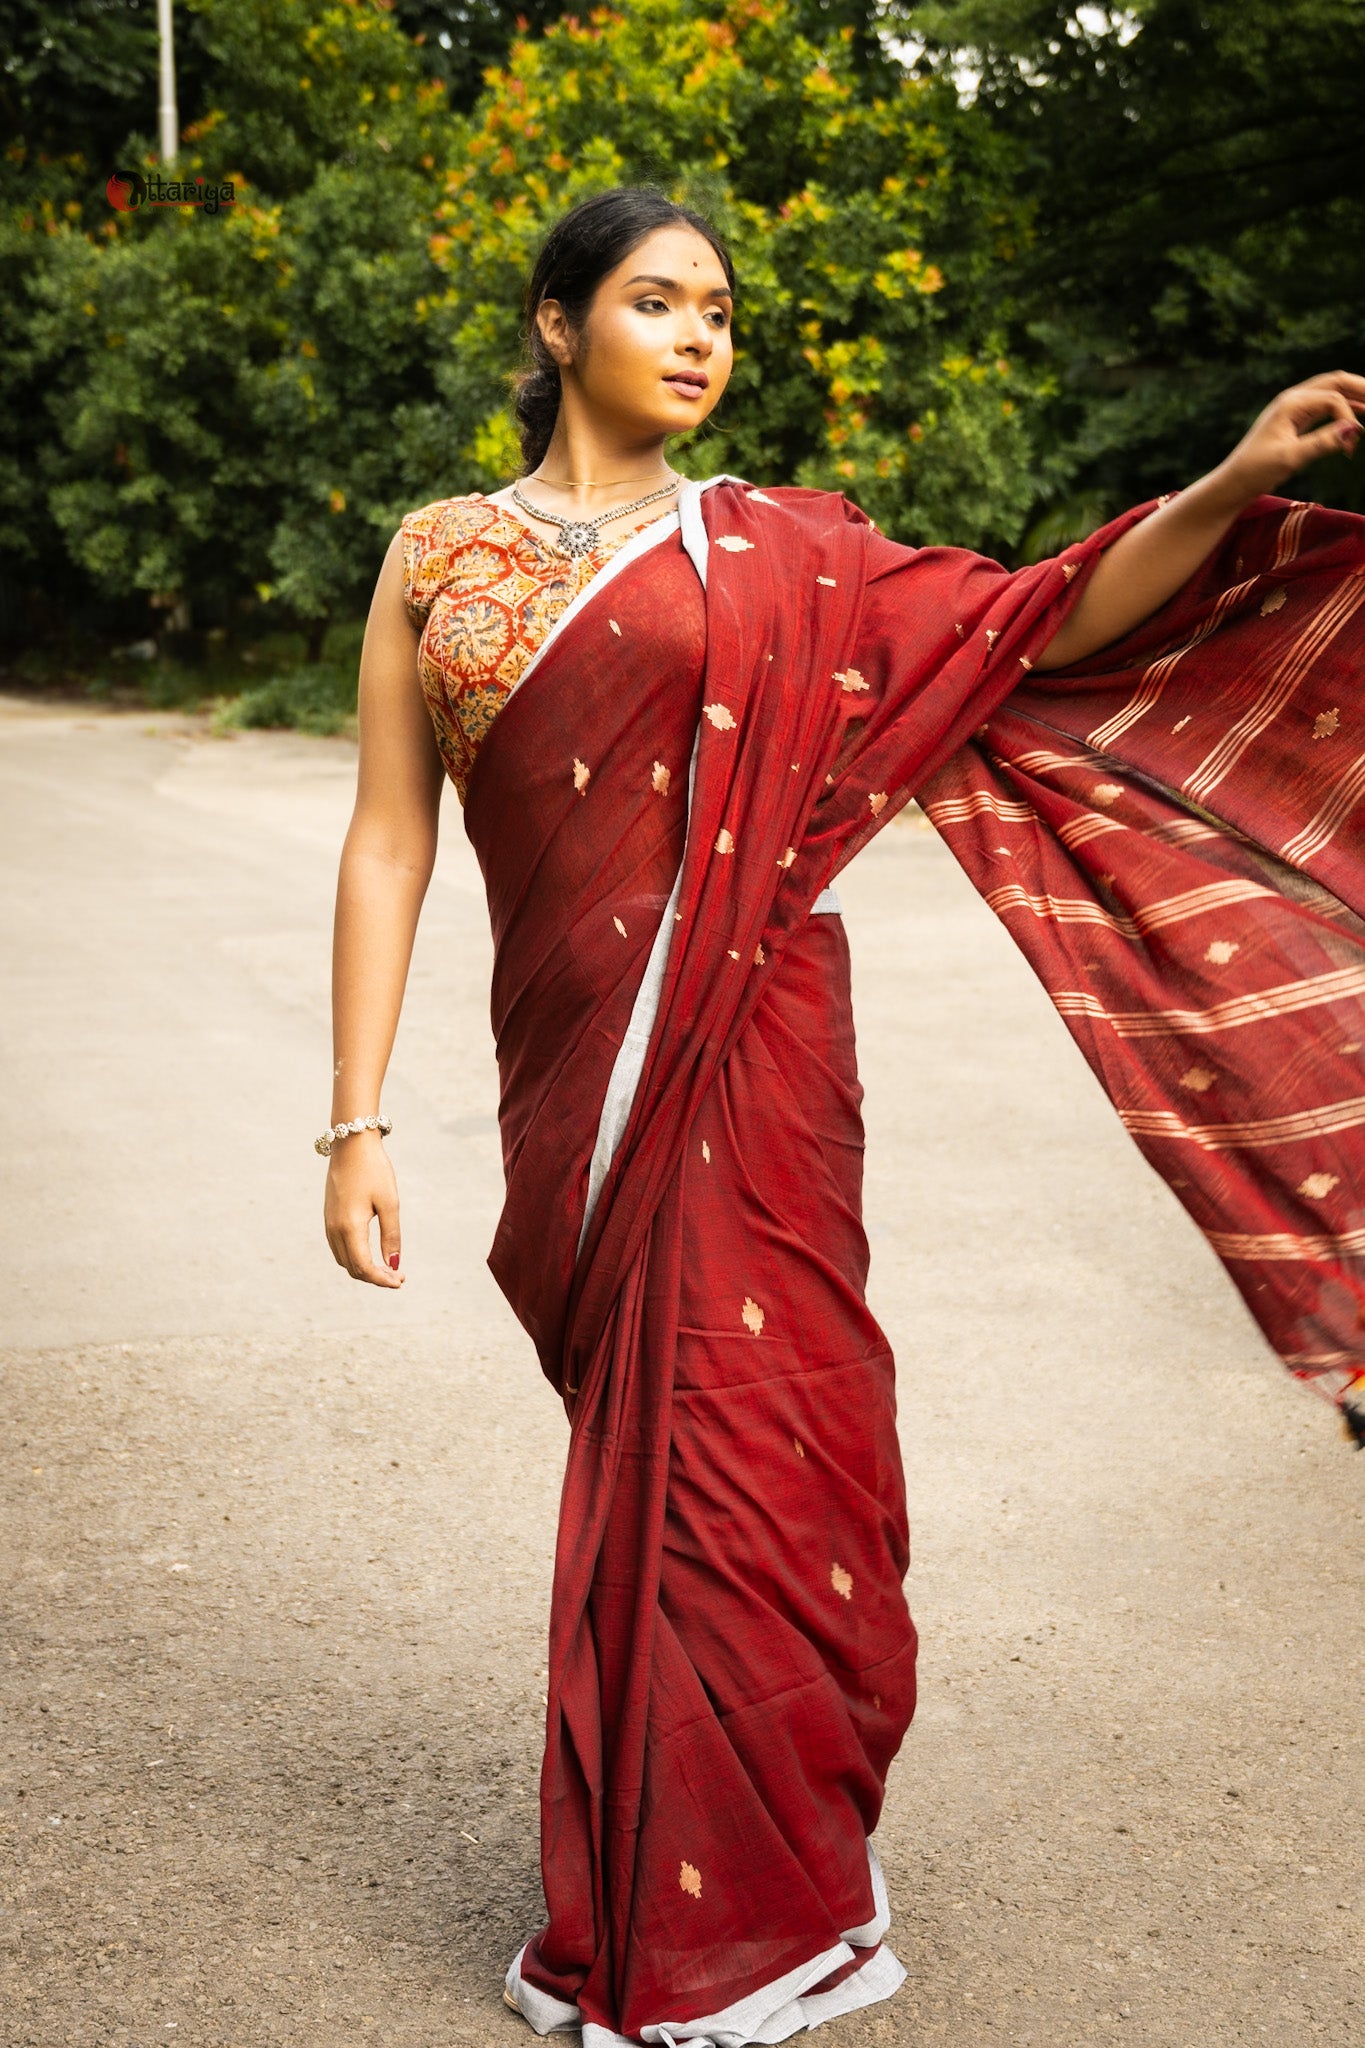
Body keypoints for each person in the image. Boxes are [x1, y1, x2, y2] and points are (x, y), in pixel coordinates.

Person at [320, 187, 1365, 2046]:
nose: (702, 337)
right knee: (643, 1460)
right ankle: (667, 1898)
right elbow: (390, 836)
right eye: (656, 301)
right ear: (558, 326)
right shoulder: (438, 559)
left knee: (754, 1454)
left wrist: (1219, 484)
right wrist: (355, 1121)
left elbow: (1043, 616)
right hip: (578, 1073)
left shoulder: (791, 556)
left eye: (722, 309)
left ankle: (747, 1904)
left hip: (762, 1062)